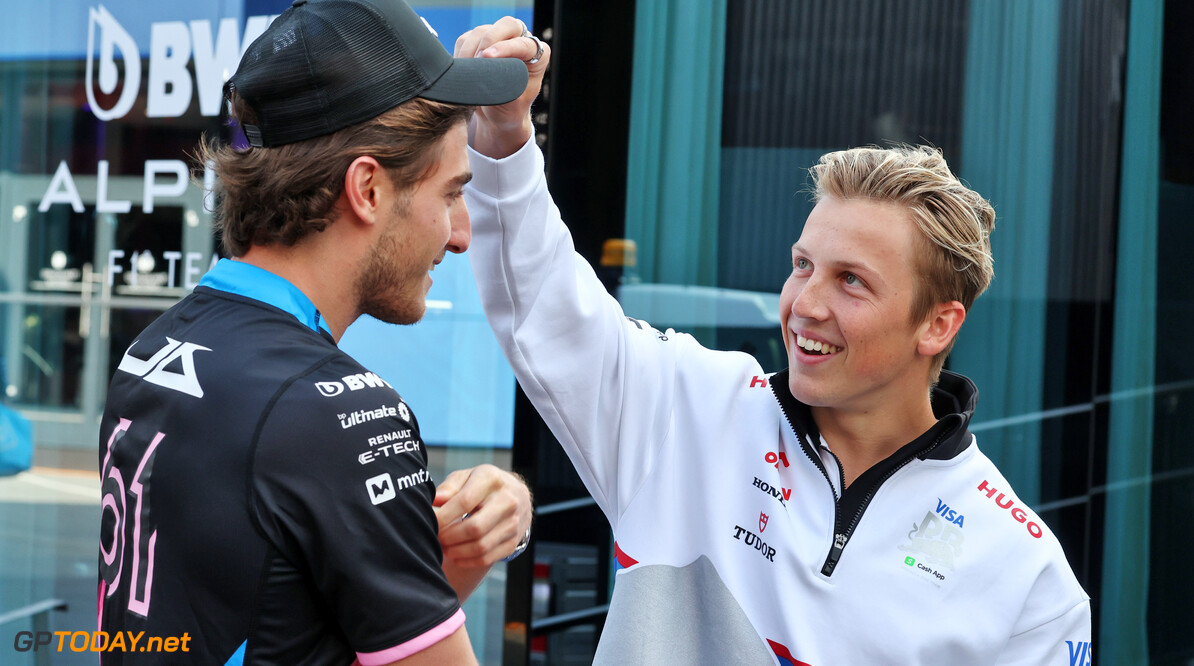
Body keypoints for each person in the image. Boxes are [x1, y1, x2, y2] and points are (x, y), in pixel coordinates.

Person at [459, 21, 1093, 665]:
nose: (805, 305)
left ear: (938, 325)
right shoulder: (689, 407)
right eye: (802, 265)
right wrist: (504, 133)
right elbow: (542, 305)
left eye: (851, 281)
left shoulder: (1029, 582)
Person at [96, 2, 537, 663]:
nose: (461, 233)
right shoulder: (340, 413)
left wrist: (462, 547)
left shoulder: (153, 348)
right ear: (367, 189)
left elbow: (300, 629)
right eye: (450, 194)